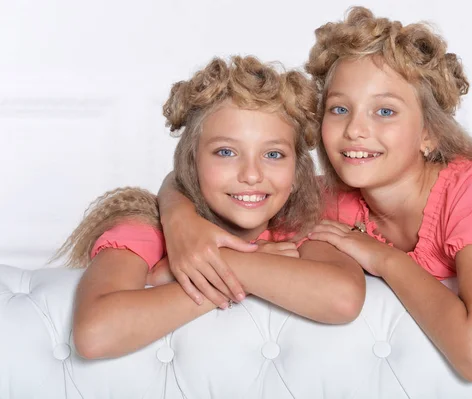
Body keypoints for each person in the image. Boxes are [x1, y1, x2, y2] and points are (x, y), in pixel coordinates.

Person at [155, 8, 472, 382]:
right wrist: (180, 219)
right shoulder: (338, 203)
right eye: (339, 109)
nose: (356, 129)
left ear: (429, 134)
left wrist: (386, 259)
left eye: (384, 110)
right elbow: (240, 210)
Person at [54, 56, 366, 360]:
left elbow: (343, 299)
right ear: (192, 163)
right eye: (226, 152)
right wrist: (245, 268)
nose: (252, 174)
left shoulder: (301, 232)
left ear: (297, 174)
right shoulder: (146, 230)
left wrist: (221, 265)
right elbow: (95, 334)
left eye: (273, 155)